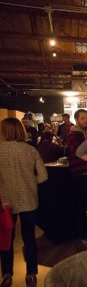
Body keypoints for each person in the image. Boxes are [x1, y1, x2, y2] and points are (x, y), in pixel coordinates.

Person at [0, 118, 48, 287]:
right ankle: (31, 274)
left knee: (6, 239)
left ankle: (6, 274)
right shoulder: (30, 150)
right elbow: (43, 176)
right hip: (29, 199)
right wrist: (28, 180)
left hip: (5, 202)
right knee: (29, 238)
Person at [66, 109, 87, 238]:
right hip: (82, 174)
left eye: (86, 117)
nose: (85, 120)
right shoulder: (74, 136)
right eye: (82, 118)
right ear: (77, 119)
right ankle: (84, 233)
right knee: (84, 205)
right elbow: (78, 153)